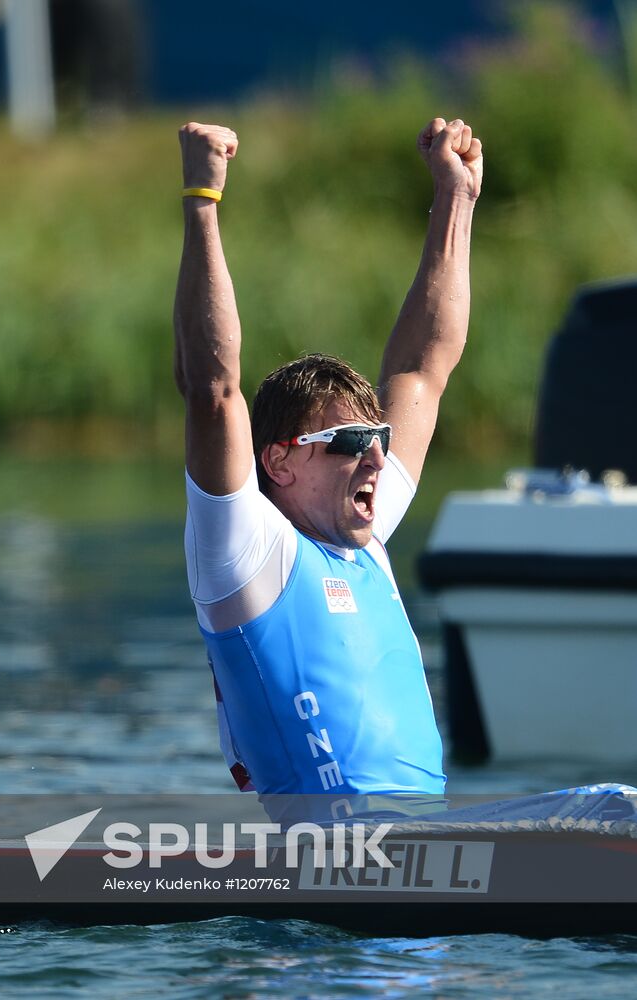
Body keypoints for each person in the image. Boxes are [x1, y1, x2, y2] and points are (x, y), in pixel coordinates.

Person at [173, 118, 482, 814]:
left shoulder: (364, 538)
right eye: (349, 440)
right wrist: (201, 199)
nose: (376, 453)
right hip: (330, 869)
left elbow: (421, 368)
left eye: (378, 435)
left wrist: (454, 200)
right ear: (279, 462)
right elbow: (211, 389)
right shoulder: (244, 553)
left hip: (420, 863)